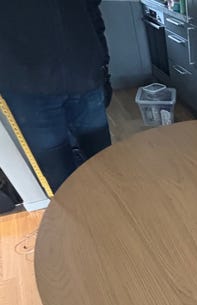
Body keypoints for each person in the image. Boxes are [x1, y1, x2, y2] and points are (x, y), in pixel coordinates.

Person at [0, 0, 113, 192]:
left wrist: (103, 66)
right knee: (60, 181)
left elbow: (91, 10)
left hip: (84, 74)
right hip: (26, 89)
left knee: (105, 166)